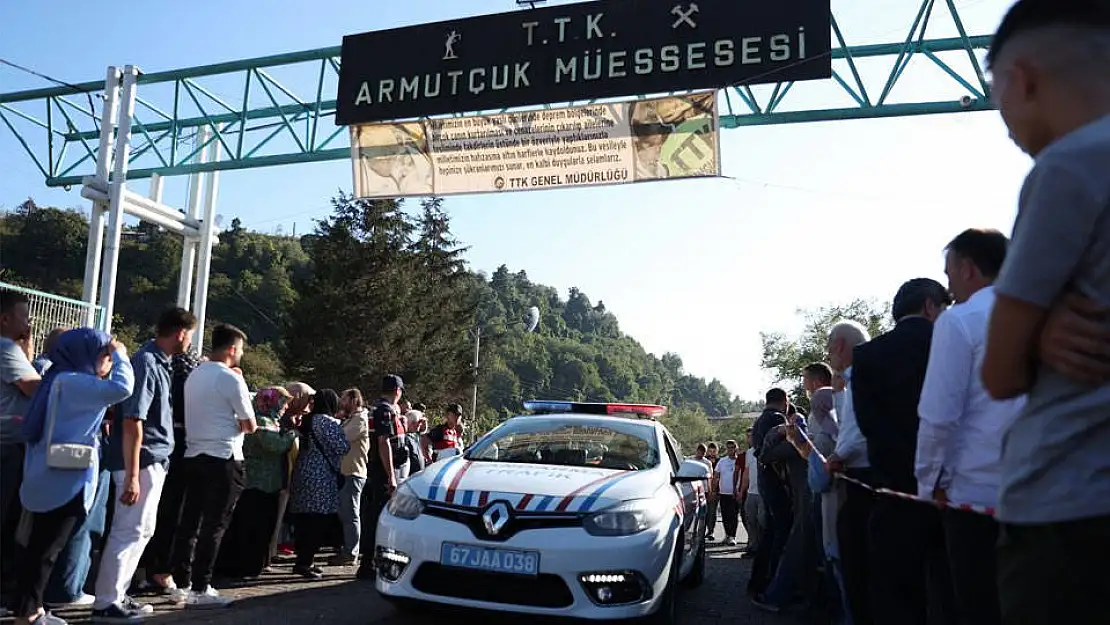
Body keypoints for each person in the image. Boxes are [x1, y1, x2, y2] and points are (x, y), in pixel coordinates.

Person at [980, 3, 1110, 623]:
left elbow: (999, 372)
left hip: (1068, 506)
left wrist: (1031, 336)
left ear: (1022, 79)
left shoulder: (1070, 167)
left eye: (993, 89)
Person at [915, 229, 1021, 625]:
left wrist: (929, 484)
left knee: (979, 608)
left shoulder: (958, 321)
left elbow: (939, 415)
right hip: (1046, 492)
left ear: (968, 269)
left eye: (949, 275)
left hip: (974, 496)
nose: (948, 287)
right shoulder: (1046, 313)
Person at [11, 329, 133, 625]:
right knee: (47, 549)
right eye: (103, 356)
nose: (106, 362)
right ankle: (28, 613)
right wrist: (121, 354)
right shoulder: (75, 382)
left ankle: (30, 608)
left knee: (39, 546)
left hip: (45, 471)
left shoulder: (57, 377)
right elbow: (122, 388)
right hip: (66, 478)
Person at [852, 278, 955, 625]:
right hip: (952, 493)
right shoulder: (951, 344)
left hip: (892, 491)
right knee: (954, 592)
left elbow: (870, 425)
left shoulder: (867, 356)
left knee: (896, 595)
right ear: (930, 305)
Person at [92, 308, 196, 621]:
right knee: (128, 529)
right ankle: (107, 601)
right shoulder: (147, 362)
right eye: (189, 335)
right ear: (180, 333)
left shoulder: (159, 362)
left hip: (153, 459)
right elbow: (133, 421)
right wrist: (133, 475)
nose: (189, 342)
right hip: (142, 460)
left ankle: (118, 595)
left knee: (142, 530)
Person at [169, 324, 255, 609]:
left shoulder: (196, 374)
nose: (241, 354)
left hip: (194, 454)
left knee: (189, 521)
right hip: (224, 456)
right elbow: (249, 424)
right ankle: (201, 586)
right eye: (240, 349)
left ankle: (181, 583)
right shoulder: (231, 379)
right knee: (214, 525)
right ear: (232, 349)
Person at [214, 387, 296, 579]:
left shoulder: (270, 421)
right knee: (252, 527)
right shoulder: (260, 421)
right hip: (257, 483)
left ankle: (252, 565)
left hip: (268, 484)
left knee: (260, 527)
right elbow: (274, 445)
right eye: (282, 403)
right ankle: (244, 567)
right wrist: (292, 435)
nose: (284, 408)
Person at [824, 321, 873, 625]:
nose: (829, 357)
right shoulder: (853, 382)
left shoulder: (864, 379)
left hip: (862, 481)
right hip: (866, 478)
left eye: (829, 349)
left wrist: (837, 456)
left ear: (840, 346)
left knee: (858, 569)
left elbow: (858, 432)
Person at [1, 290, 41, 607]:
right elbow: (36, 389)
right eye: (23, 316)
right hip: (7, 445)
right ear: (5, 319)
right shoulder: (5, 348)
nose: (28, 322)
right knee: (8, 520)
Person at [289, 389, 350, 578]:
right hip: (321, 477)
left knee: (304, 520)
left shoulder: (307, 420)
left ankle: (304, 560)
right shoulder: (327, 422)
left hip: (303, 473)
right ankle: (305, 563)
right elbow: (342, 447)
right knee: (316, 522)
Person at [355, 375, 405, 581]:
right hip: (383, 472)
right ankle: (369, 562)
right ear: (397, 391)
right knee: (379, 516)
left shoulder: (381, 410)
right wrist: (391, 476)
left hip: (382, 470)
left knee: (376, 514)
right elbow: (384, 443)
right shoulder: (384, 411)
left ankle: (372, 560)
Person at [713, 440, 742, 546]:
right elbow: (716, 476)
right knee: (725, 515)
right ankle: (728, 535)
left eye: (733, 447)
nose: (731, 449)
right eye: (729, 447)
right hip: (723, 492)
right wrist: (714, 490)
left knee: (733, 515)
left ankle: (732, 536)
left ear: (736, 448)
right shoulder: (722, 461)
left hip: (735, 492)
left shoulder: (740, 461)